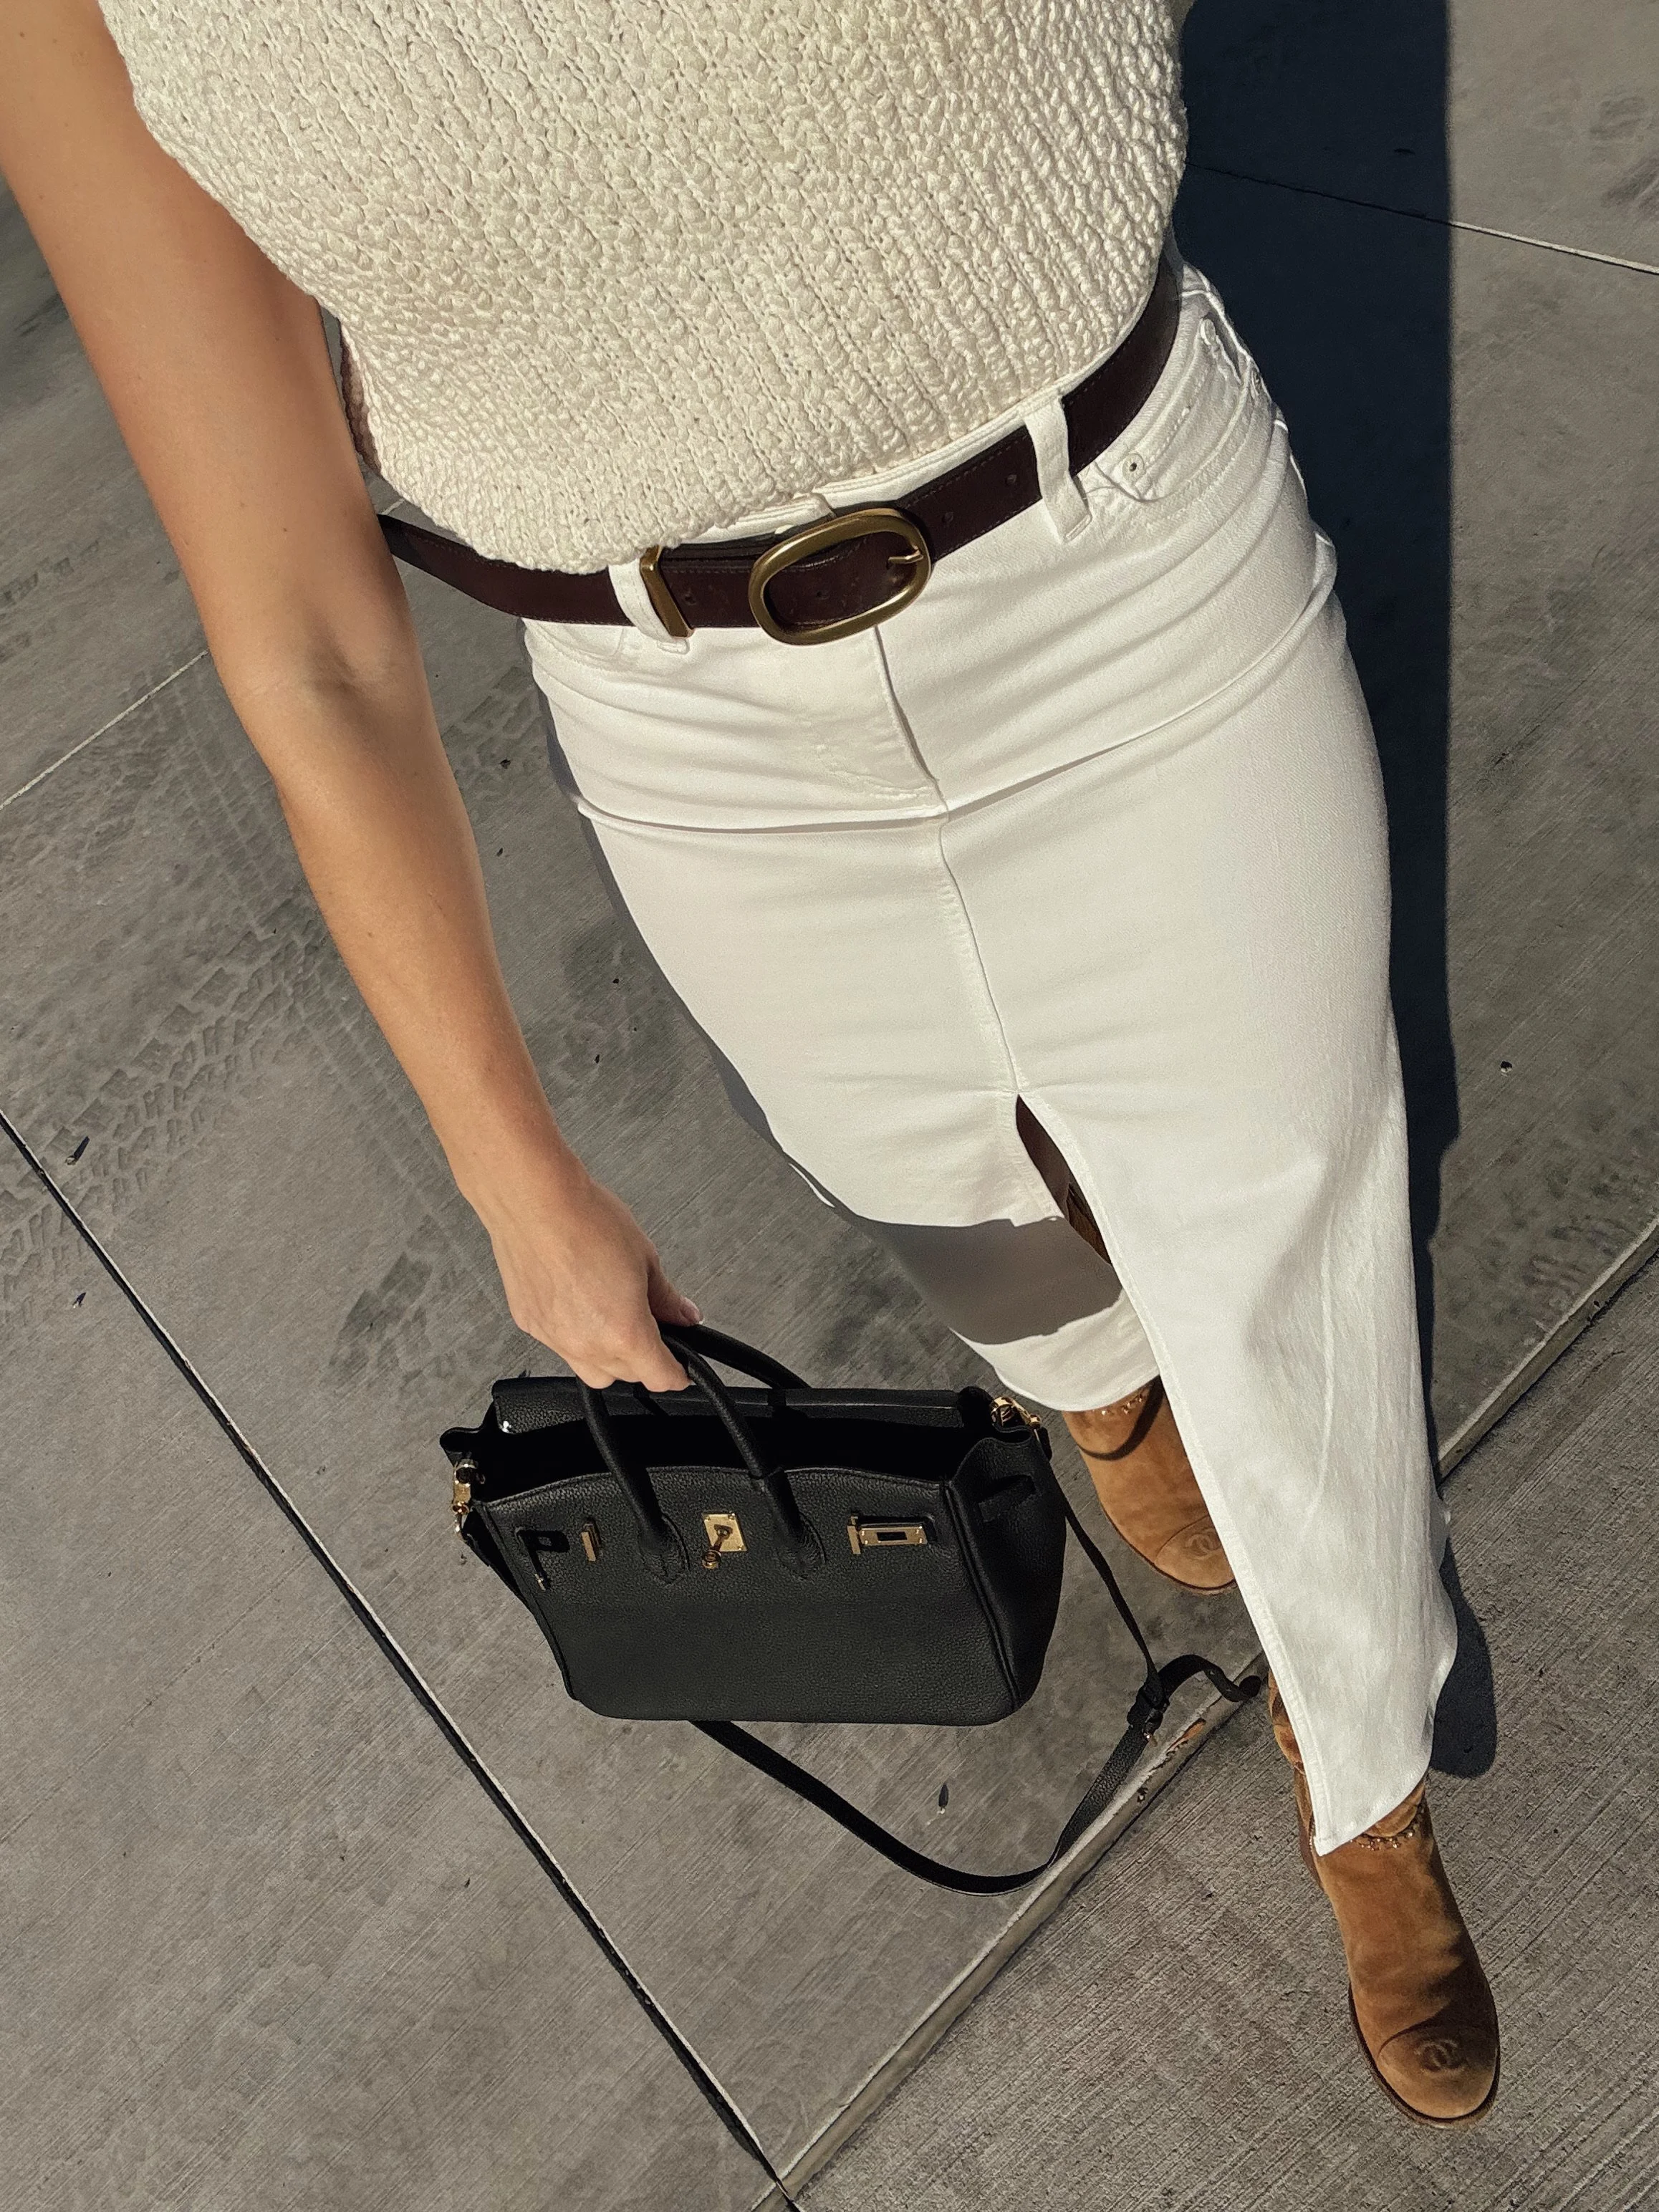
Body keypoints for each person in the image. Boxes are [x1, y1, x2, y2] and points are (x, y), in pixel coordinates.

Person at [0, 0, 1498, 2125]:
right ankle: (1103, 1397)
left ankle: (1360, 1769)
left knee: (1286, 1202)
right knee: (951, 1216)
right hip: (684, 709)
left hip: (1118, 565)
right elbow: (310, 644)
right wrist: (519, 1187)